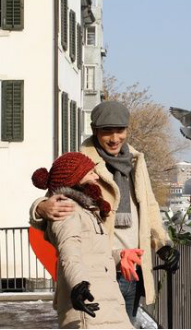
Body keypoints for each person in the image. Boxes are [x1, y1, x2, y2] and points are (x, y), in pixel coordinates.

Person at [30, 101, 180, 324]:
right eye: (107, 131)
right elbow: (57, 188)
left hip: (133, 266)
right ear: (95, 131)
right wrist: (40, 207)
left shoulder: (136, 161)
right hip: (101, 269)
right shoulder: (82, 162)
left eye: (120, 131)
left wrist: (162, 245)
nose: (114, 138)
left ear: (127, 130)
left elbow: (148, 206)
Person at [31, 152, 134, 328]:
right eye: (91, 172)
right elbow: (69, 252)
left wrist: (120, 255)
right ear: (75, 177)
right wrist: (79, 285)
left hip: (104, 300)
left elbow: (90, 253)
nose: (96, 177)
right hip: (89, 303)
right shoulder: (66, 210)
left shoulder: (86, 210)